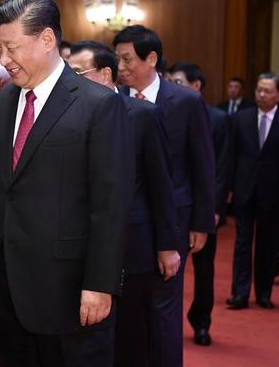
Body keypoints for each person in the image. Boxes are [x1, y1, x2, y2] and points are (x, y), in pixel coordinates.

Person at [0, 0, 133, 366]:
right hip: (7, 284)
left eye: (11, 48)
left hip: (69, 289)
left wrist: (100, 284)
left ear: (48, 40)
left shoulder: (97, 105)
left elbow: (111, 204)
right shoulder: (1, 105)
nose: (3, 60)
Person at [68, 41, 178, 367]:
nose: (70, 81)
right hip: (84, 242)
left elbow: (161, 184)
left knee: (132, 333)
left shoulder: (143, 114)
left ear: (105, 74)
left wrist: (168, 244)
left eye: (77, 73)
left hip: (135, 243)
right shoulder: (70, 113)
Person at [113, 25, 215, 367]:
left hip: (177, 219)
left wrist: (202, 222)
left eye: (127, 59)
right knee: (132, 309)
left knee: (164, 307)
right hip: (132, 223)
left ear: (151, 58)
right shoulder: (115, 101)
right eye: (118, 59)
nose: (121, 66)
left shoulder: (186, 101)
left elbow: (202, 165)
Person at [168, 61, 232, 346]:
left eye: (178, 82)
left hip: (204, 207)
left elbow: (217, 168)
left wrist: (213, 209)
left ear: (196, 86)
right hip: (174, 206)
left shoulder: (219, 118)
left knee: (204, 270)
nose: (173, 86)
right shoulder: (164, 111)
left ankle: (201, 322)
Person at [228, 72, 279, 310]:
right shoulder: (241, 118)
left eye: (267, 90)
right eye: (259, 89)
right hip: (244, 190)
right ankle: (240, 293)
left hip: (275, 194)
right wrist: (228, 188)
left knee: (267, 245)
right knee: (241, 243)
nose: (261, 94)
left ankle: (263, 292)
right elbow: (231, 157)